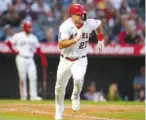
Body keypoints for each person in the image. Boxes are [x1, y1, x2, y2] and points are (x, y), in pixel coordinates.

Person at [54, 3, 105, 120]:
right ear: (71, 15)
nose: (81, 16)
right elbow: (61, 44)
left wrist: (100, 40)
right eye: (78, 14)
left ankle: (75, 96)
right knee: (59, 87)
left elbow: (98, 25)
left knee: (78, 79)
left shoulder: (88, 22)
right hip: (65, 60)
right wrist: (75, 39)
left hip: (80, 59)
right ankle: (58, 112)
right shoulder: (65, 26)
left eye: (82, 14)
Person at [5, 21, 48, 100]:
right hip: (21, 58)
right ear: (24, 27)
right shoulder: (18, 36)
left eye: (30, 27)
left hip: (30, 59)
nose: (30, 28)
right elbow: (8, 42)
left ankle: (33, 96)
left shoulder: (34, 37)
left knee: (33, 77)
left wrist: (43, 59)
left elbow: (38, 50)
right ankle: (23, 96)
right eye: (28, 27)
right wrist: (13, 51)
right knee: (22, 78)